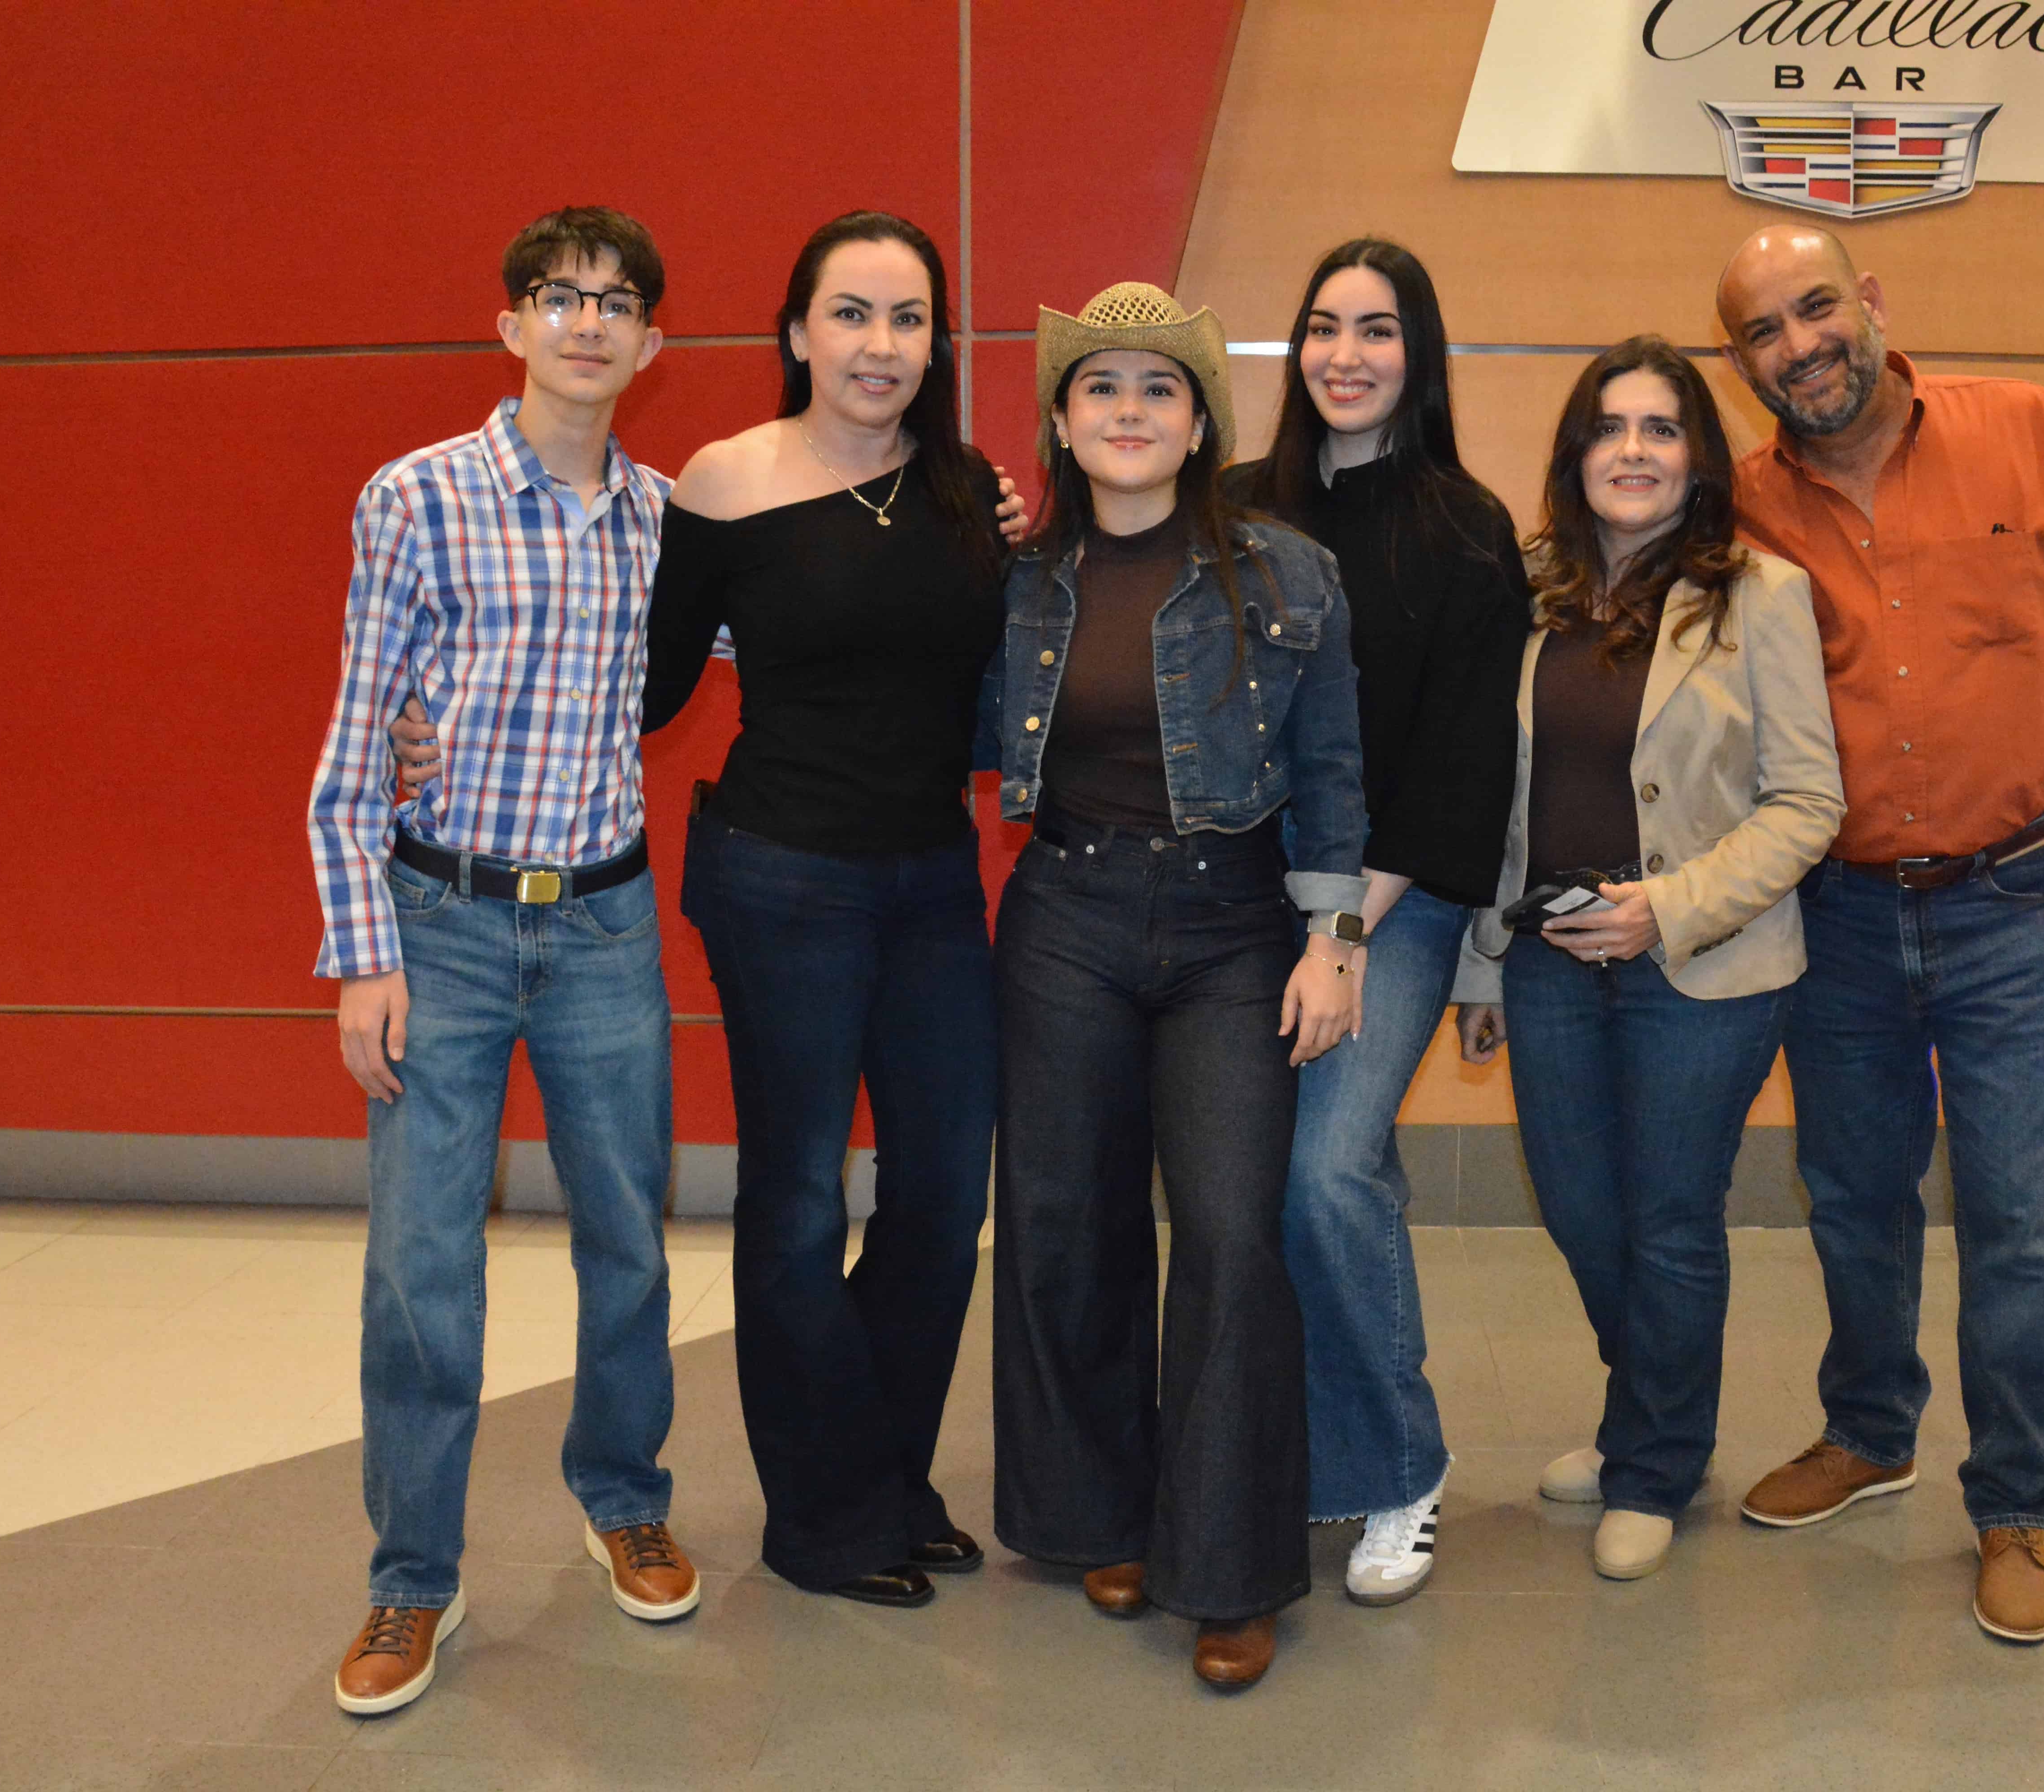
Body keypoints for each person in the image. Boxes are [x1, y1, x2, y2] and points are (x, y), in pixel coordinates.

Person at [1715, 225, 2044, 1644]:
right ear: (1740, 361)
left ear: (1871, 303)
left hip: (2016, 902)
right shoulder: (1741, 506)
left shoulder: (2028, 430)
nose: (1801, 346)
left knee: (2016, 1215)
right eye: (1763, 331)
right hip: (1837, 915)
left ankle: (2015, 1502)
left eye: (1818, 307)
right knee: (1853, 1196)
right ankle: (1871, 1433)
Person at [307, 206, 699, 1717]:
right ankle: (414, 1577)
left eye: (617, 302)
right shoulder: (416, 496)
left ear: (652, 344)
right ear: (512, 324)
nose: (588, 322)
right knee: (421, 1267)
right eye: (559, 295)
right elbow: (362, 734)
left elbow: (793, 640)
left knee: (629, 1243)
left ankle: (625, 1499)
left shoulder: (669, 521)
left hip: (604, 926)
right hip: (444, 927)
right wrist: (364, 953)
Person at [985, 282, 1368, 1689]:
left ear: (1200, 424)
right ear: (1063, 421)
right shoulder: (1016, 577)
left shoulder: (1288, 573)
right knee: (1064, 1220)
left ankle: (1229, 1564)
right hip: (1065, 917)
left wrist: (1336, 938)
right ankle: (1097, 1515)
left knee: (1228, 1233)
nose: (1131, 411)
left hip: (1233, 930)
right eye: (1102, 386)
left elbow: (1334, 766)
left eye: (1160, 389)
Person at [638, 211, 1008, 1611]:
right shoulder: (726, 479)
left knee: (940, 1196)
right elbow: (648, 691)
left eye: (908, 318)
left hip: (932, 884)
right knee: (795, 1201)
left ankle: (885, 1481)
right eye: (851, 313)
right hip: (780, 878)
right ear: (797, 331)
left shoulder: (971, 492)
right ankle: (825, 1517)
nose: (880, 344)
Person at [1452, 336, 1842, 1582]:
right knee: (1581, 1212)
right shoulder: (1531, 591)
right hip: (1547, 959)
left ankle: (1658, 1464)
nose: (1633, 451)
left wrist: (1664, 910)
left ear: (1698, 458)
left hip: (1705, 969)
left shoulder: (1762, 595)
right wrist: (1480, 965)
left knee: (1670, 1222)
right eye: (1609, 429)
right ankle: (1648, 1418)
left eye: (1661, 429)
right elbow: (1495, 794)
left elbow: (1807, 804)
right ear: (1577, 455)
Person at [1225, 239, 1527, 1604]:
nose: (1346, 356)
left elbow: (1462, 769)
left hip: (1390, 906)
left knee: (1328, 1173)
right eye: (1324, 327)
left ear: (1421, 353)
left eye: (1378, 330)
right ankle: (1289, 1450)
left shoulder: (1467, 530)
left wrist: (1341, 932)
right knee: (1245, 1184)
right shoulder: (1234, 507)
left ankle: (1401, 1464)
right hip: (1237, 906)